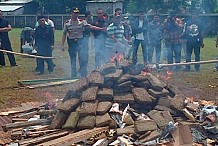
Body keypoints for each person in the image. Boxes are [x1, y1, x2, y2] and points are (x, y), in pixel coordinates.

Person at [61, 7, 105, 78]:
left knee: (82, 58)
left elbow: (90, 26)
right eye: (74, 13)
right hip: (72, 42)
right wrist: (62, 45)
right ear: (71, 13)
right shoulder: (67, 23)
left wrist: (100, 29)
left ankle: (83, 75)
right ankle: (73, 75)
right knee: (73, 59)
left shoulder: (82, 21)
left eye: (77, 13)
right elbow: (64, 34)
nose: (76, 15)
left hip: (80, 41)